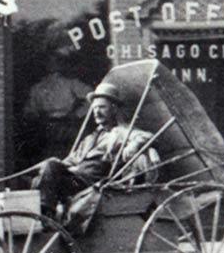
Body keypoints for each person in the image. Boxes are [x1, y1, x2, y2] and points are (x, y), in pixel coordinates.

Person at [29, 81, 158, 219]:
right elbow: (73, 159)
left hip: (90, 184)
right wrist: (57, 163)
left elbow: (147, 136)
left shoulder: (121, 131)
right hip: (74, 179)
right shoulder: (91, 137)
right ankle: (41, 214)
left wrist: (133, 145)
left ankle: (44, 216)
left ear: (114, 109)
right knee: (42, 174)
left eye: (102, 107)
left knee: (51, 169)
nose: (97, 112)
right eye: (95, 108)